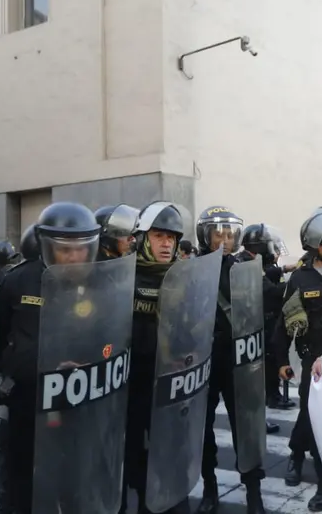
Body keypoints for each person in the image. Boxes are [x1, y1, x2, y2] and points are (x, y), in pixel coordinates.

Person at [0, 201, 107, 514]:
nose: (74, 256)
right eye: (64, 249)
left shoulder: (102, 284)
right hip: (27, 405)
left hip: (80, 405)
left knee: (76, 486)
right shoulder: (18, 281)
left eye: (81, 249)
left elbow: (110, 339)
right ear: (46, 247)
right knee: (19, 487)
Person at [274, 211, 322, 511]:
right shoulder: (300, 278)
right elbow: (286, 320)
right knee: (315, 422)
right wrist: (280, 358)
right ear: (313, 242)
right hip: (313, 365)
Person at [123, 201, 192, 514]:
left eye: (171, 238)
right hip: (132, 384)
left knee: (171, 452)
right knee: (133, 452)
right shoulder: (122, 276)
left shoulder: (182, 277)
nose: (167, 244)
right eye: (159, 236)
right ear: (142, 238)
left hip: (171, 383)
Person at [196, 206, 266, 514]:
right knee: (203, 430)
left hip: (237, 360)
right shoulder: (192, 268)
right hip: (203, 361)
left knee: (246, 428)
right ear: (205, 236)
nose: (224, 239)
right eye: (218, 234)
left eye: (229, 234)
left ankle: (254, 492)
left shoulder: (245, 267)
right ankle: (210, 488)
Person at [238, 223, 294, 415]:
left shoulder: (253, 261)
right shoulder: (245, 263)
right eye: (270, 245)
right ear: (260, 246)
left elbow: (268, 272)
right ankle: (266, 402)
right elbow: (268, 290)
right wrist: (295, 285)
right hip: (253, 324)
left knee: (270, 360)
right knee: (264, 365)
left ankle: (272, 395)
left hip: (263, 321)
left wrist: (287, 268)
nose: (274, 250)